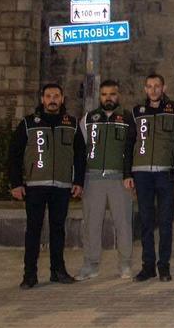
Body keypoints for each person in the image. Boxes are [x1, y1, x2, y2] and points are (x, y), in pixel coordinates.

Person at [7, 83, 85, 289]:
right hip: (35, 186)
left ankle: (57, 271)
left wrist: (78, 182)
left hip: (61, 186)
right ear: (42, 99)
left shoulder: (72, 124)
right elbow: (14, 154)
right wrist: (16, 183)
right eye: (48, 96)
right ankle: (29, 275)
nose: (52, 99)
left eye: (56, 96)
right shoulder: (29, 123)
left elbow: (80, 155)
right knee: (33, 230)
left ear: (62, 99)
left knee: (58, 230)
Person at [76, 80, 137, 281]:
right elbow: (79, 149)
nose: (108, 97)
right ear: (99, 96)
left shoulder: (128, 118)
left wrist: (130, 175)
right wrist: (79, 179)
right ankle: (90, 265)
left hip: (119, 178)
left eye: (112, 94)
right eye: (104, 94)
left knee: (123, 223)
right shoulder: (89, 119)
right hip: (93, 179)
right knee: (92, 224)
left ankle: (125, 264)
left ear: (118, 96)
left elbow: (132, 150)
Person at [131, 73, 174, 282]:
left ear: (164, 87)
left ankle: (164, 266)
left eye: (157, 86)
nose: (153, 90)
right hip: (142, 173)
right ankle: (148, 266)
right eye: (149, 86)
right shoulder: (136, 112)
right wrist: (129, 174)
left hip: (165, 173)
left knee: (165, 222)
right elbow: (130, 143)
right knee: (146, 221)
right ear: (145, 89)